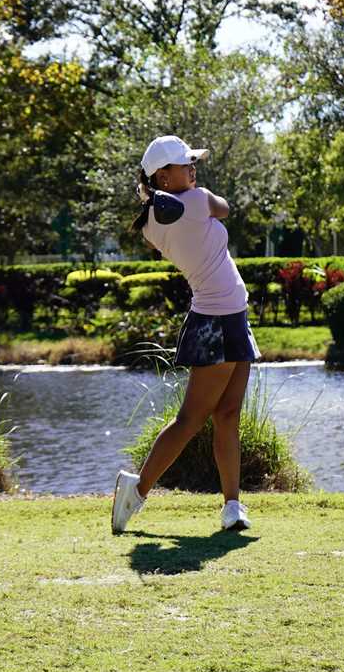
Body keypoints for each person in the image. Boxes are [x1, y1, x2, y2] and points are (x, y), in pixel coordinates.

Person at [111, 135, 260, 534]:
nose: (193, 169)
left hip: (229, 317)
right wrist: (195, 191)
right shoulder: (197, 201)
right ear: (163, 174)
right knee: (191, 419)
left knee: (228, 415)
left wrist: (168, 189)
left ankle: (232, 505)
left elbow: (172, 206)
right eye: (186, 164)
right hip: (216, 321)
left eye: (193, 163)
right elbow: (224, 209)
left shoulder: (151, 222)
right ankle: (136, 491)